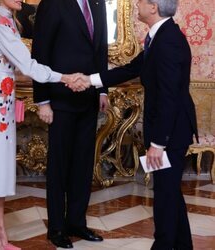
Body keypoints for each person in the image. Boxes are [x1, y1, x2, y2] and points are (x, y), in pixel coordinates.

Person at [67, 0, 198, 249]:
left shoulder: (168, 40)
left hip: (170, 133)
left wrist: (158, 143)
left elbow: (170, 98)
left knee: (164, 196)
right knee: (169, 193)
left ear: (153, 7)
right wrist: (90, 79)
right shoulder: (159, 36)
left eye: (142, 1)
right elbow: (130, 69)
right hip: (168, 129)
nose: (137, 4)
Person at [0, 0, 75, 249]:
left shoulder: (10, 23)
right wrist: (65, 77)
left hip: (3, 100)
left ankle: (0, 234)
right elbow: (28, 66)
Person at [32, 0, 108, 248]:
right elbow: (40, 52)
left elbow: (100, 51)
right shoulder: (52, 4)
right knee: (59, 166)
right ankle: (56, 227)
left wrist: (103, 90)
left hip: (89, 99)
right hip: (59, 100)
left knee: (83, 165)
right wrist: (42, 100)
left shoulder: (97, 3)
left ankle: (77, 222)